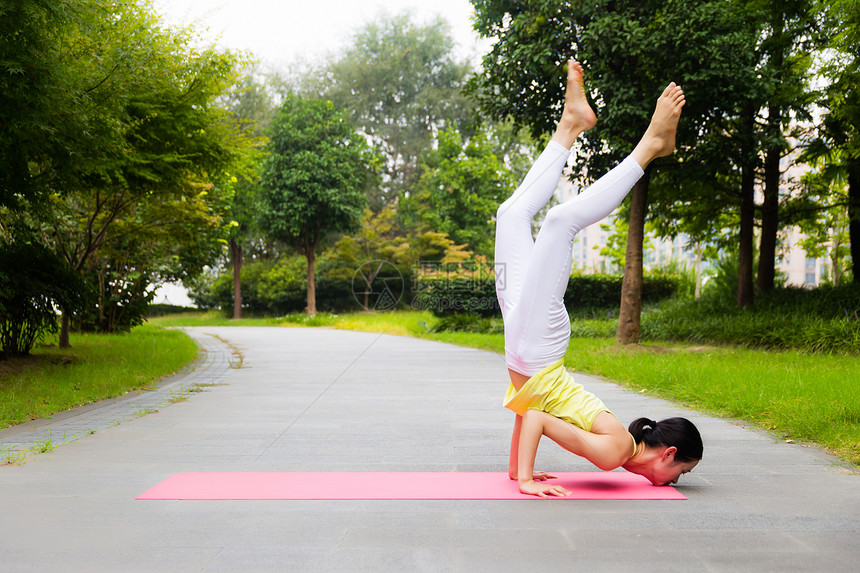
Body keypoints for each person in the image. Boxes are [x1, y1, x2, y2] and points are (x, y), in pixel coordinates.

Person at [494, 60, 703, 498]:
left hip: (530, 356)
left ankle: (570, 126)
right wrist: (529, 481)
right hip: (538, 349)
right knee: (559, 221)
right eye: (681, 472)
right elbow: (538, 417)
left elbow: (530, 407)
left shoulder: (618, 450)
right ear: (667, 454)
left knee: (511, 215)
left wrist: (518, 471)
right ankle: (651, 145)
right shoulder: (613, 452)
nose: (676, 480)